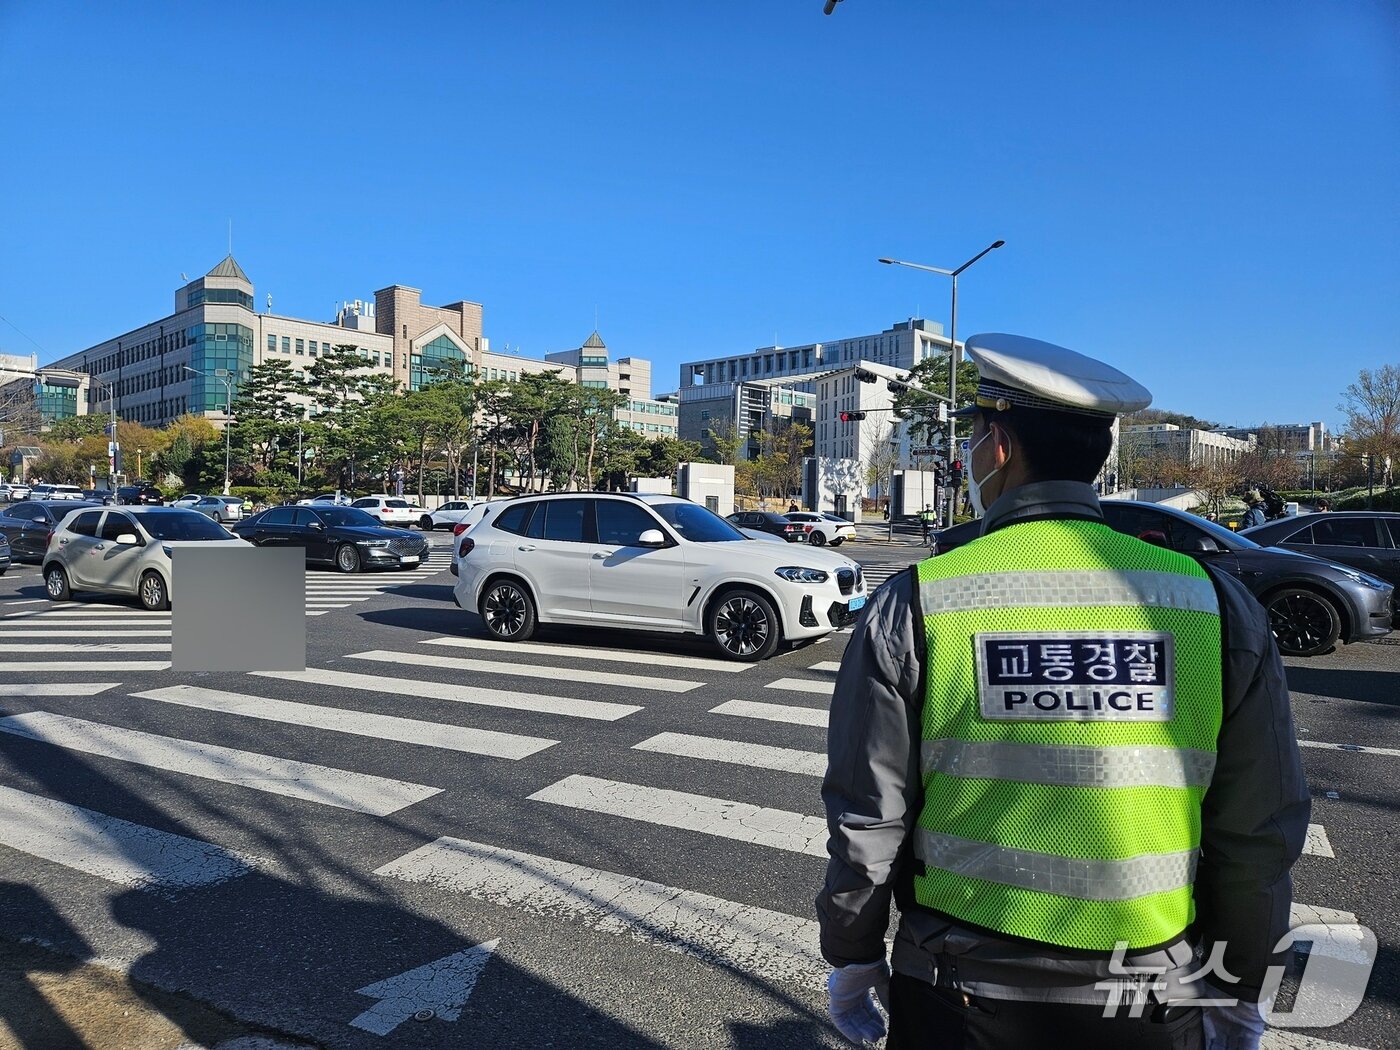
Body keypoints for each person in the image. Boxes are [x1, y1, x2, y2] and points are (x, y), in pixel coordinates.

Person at [818, 333, 1309, 1050]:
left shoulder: (920, 601)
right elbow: (1257, 832)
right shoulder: (1212, 603)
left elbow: (870, 817)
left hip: (960, 993)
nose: (972, 455)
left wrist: (853, 954)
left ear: (1000, 447)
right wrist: (1240, 985)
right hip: (1148, 999)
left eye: (975, 437)